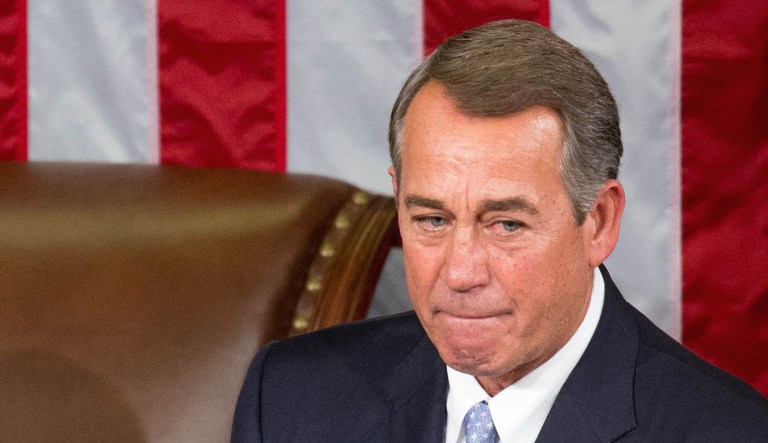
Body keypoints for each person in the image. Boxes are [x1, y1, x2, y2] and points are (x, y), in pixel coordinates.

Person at [231, 19, 768, 442]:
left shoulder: (727, 432)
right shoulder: (289, 399)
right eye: (432, 220)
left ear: (599, 222)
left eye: (506, 224)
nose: (461, 273)